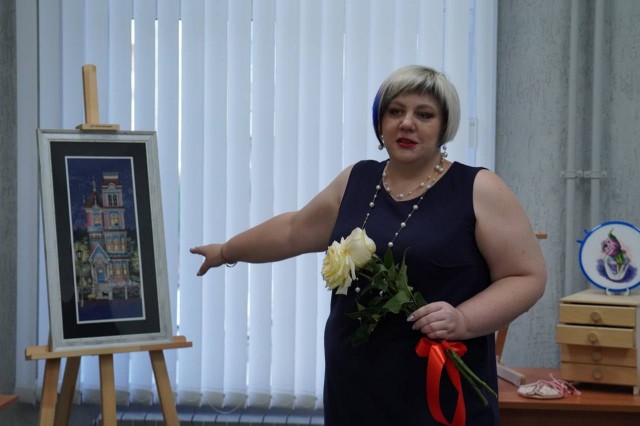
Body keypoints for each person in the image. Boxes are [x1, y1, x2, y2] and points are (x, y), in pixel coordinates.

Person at [191, 65, 547, 425]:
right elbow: (293, 231)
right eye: (395, 111)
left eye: (424, 115)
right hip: (355, 385)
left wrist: (464, 320)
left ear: (444, 126)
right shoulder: (357, 179)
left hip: (437, 391)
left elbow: (526, 277)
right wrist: (226, 251)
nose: (407, 123)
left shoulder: (479, 188)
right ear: (380, 122)